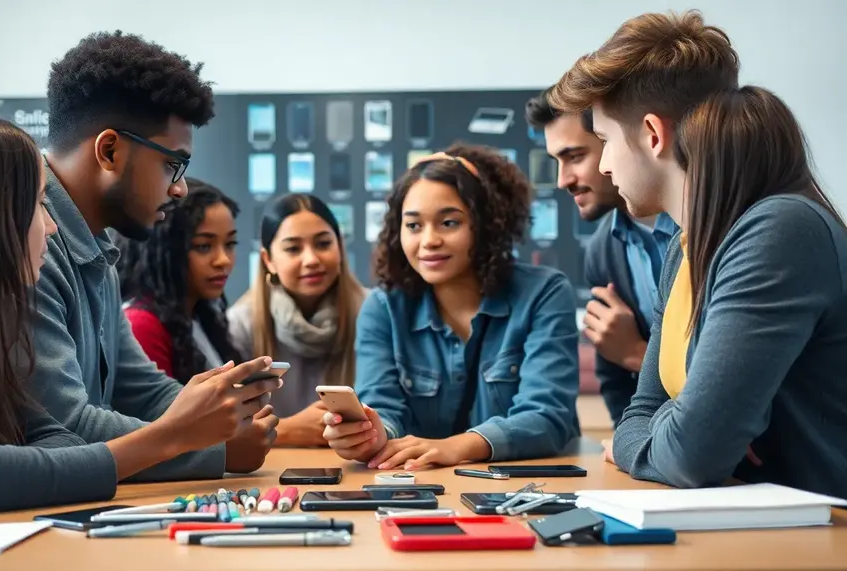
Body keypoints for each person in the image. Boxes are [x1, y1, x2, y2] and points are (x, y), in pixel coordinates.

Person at [0, 110, 269, 533]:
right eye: (35, 205)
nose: (50, 226)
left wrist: (185, 433)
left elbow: (52, 437)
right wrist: (172, 437)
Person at [550, 10, 847, 498]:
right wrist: (679, 421)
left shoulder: (779, 231)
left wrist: (680, 427)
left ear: (651, 134)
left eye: (604, 140)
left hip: (822, 534)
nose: (603, 165)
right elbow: (641, 412)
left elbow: (693, 455)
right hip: (750, 523)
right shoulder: (684, 249)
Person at [33, 30, 279, 479]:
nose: (179, 187)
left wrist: (226, 413)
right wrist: (213, 450)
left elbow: (138, 389)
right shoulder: (27, 249)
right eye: (173, 163)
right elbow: (60, 429)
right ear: (109, 150)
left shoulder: (95, 247)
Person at [321, 144, 581, 470]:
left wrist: (457, 447)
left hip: (526, 487)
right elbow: (383, 407)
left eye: (449, 223)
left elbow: (548, 415)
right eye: (414, 226)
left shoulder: (544, 293)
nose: (429, 240)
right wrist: (371, 435)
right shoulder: (383, 307)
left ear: (486, 225)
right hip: (420, 487)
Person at [525, 88, 678, 426]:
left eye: (575, 156)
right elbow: (614, 379)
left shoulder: (701, 229)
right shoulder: (601, 250)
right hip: (660, 453)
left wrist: (637, 354)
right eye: (556, 161)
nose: (563, 180)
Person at [229, 193, 367, 447]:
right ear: (268, 260)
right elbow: (227, 426)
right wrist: (287, 431)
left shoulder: (372, 315)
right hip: (269, 470)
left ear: (340, 248)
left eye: (323, 244)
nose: (312, 260)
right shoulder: (240, 324)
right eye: (293, 248)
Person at [117, 179, 243, 382]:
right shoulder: (142, 325)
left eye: (230, 244)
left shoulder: (199, 316)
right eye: (203, 246)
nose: (224, 260)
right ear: (164, 250)